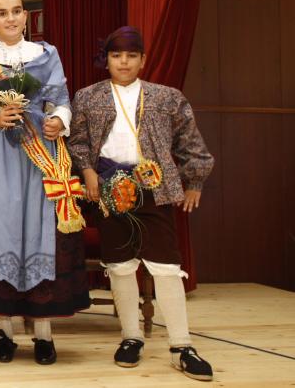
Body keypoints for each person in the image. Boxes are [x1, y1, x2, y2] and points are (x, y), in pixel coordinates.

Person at [0, 0, 90, 365]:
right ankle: (3, 331)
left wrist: (60, 119)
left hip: (41, 155)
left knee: (40, 233)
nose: (10, 19)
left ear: (26, 17)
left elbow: (61, 98)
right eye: (1, 13)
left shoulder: (48, 54)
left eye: (16, 12)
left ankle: (44, 334)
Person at [68, 26, 215, 381]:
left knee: (165, 265)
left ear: (143, 60)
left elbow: (189, 142)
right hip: (107, 188)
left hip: (154, 187)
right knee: (119, 264)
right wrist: (87, 172)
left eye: (131, 56)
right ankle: (130, 337)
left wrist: (194, 181)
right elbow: (78, 143)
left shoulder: (167, 97)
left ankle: (181, 344)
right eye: (117, 56)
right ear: (107, 61)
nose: (124, 62)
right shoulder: (88, 97)